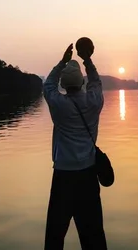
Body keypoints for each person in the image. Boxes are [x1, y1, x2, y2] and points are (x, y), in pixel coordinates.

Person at [43, 43, 107, 250]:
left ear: (64, 84)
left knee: (55, 234)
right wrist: (87, 60)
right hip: (88, 175)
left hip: (63, 175)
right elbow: (96, 82)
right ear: (81, 82)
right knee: (93, 234)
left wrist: (62, 62)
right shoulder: (94, 102)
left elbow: (48, 85)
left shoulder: (58, 105)